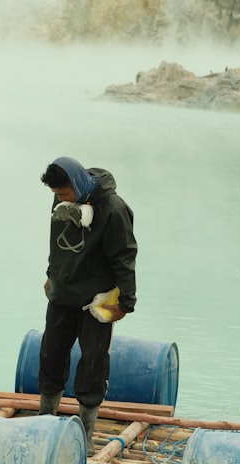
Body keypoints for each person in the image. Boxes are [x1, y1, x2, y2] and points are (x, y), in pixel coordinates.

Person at [37, 156, 137, 442]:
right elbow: (57, 244)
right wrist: (51, 274)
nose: (59, 198)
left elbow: (125, 257)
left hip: (96, 301)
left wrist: (126, 303)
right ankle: (45, 420)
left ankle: (86, 433)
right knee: (51, 353)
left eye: (64, 192)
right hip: (62, 292)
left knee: (93, 361)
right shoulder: (61, 202)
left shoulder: (114, 210)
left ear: (78, 183)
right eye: (56, 194)